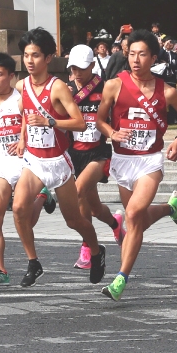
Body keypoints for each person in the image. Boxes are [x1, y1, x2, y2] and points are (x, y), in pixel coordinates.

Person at [95, 30, 177, 300]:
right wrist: (111, 133)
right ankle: (168, 208)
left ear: (153, 57)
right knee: (136, 218)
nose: (136, 59)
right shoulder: (114, 85)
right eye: (132, 53)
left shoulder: (167, 91)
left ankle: (120, 278)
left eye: (142, 54)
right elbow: (100, 120)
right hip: (123, 160)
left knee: (134, 215)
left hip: (150, 160)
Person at [15, 27, 106, 287]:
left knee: (73, 220)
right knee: (19, 208)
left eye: (35, 55)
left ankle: (97, 251)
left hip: (58, 161)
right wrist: (23, 136)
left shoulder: (58, 88)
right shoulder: (22, 85)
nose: (29, 61)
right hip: (34, 160)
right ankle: (34, 262)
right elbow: (25, 113)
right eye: (26, 55)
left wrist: (49, 121)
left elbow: (79, 123)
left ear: (48, 58)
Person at [0, 53, 53, 286]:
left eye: (0, 74)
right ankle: (0, 270)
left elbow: (32, 121)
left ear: (12, 76)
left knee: (23, 216)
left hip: (26, 160)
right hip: (1, 161)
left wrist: (22, 139)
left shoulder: (21, 99)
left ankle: (42, 197)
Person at [64, 44, 125, 270]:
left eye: (81, 68)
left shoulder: (105, 87)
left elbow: (116, 116)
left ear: (92, 65)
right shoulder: (67, 90)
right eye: (73, 68)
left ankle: (87, 247)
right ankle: (115, 223)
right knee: (95, 208)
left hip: (98, 153)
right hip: (74, 153)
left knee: (78, 191)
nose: (77, 73)